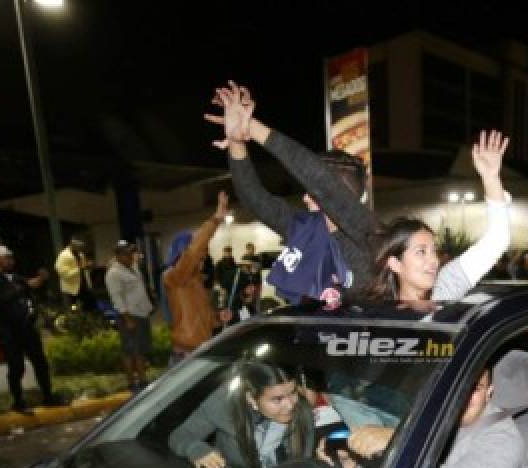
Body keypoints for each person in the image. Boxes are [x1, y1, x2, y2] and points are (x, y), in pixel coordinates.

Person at [208, 81, 375, 302]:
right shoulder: (306, 227)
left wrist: (253, 127)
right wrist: (237, 141)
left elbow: (314, 173)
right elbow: (254, 198)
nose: (305, 198)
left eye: (313, 192)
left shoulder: (367, 234)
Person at [359, 130, 511, 309]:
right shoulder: (375, 313)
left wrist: (491, 178)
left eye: (434, 251)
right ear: (395, 264)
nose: (433, 261)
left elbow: (497, 240)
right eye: (421, 252)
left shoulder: (444, 289)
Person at [347, 366, 524, 468]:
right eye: (457, 387)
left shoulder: (504, 439)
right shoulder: (438, 414)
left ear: (489, 392)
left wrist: (399, 442)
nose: (462, 396)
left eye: (475, 388)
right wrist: (357, 456)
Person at [168, 362, 315, 468]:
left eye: (293, 393)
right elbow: (180, 435)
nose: (290, 405)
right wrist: (196, 450)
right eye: (277, 399)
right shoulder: (225, 404)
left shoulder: (302, 410)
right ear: (251, 398)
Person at [0, 245, 61, 412]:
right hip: (8, 330)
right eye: (7, 258)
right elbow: (5, 296)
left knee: (40, 362)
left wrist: (41, 278)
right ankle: (18, 401)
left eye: (11, 257)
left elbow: (30, 285)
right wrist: (26, 285)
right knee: (16, 366)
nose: (11, 261)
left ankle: (48, 396)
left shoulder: (15, 278)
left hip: (27, 326)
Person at [162, 192, 229, 364]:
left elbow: (201, 319)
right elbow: (192, 253)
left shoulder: (196, 280)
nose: (202, 258)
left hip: (198, 351)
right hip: (186, 355)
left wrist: (217, 318)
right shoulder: (174, 277)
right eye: (201, 255)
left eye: (203, 256)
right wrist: (216, 219)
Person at [105, 240, 154, 390]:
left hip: (142, 313)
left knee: (141, 349)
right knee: (131, 351)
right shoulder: (113, 273)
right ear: (118, 255)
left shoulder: (132, 267)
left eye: (131, 253)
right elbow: (117, 298)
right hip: (130, 316)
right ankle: (133, 382)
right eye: (126, 254)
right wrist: (127, 319)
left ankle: (142, 378)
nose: (131, 256)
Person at [54, 238, 91, 310]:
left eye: (81, 247)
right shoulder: (63, 256)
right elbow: (64, 274)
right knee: (73, 310)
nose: (80, 249)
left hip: (83, 286)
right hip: (70, 290)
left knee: (87, 308)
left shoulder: (80, 254)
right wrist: (80, 268)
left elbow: (84, 268)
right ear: (72, 245)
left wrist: (87, 267)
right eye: (79, 247)